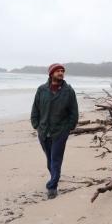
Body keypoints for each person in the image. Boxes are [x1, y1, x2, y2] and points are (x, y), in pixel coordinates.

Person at [30, 63, 79, 199]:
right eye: (58, 71)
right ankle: (54, 176)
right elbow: (35, 109)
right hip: (44, 131)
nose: (61, 73)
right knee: (49, 159)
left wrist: (68, 128)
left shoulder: (68, 91)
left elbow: (73, 112)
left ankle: (52, 186)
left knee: (56, 159)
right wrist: (36, 125)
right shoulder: (41, 90)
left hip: (60, 132)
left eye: (62, 71)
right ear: (51, 74)